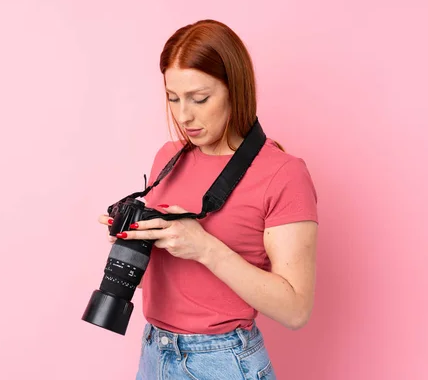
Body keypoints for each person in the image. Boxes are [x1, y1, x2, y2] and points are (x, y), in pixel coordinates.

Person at [98, 19, 318, 380]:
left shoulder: (283, 173)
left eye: (200, 99)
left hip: (223, 361)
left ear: (236, 89)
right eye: (173, 98)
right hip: (154, 352)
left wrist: (204, 247)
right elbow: (175, 281)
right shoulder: (168, 158)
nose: (185, 115)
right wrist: (133, 241)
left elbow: (295, 310)